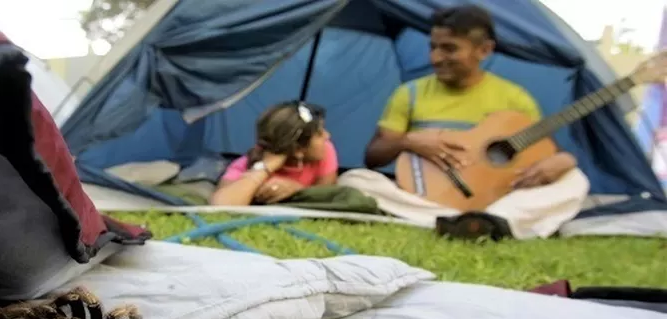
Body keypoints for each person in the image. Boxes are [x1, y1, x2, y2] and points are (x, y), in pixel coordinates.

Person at [339, 5, 589, 239]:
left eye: (449, 49)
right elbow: (372, 158)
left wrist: (563, 160)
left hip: (497, 197)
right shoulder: (410, 93)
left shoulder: (515, 98)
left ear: (484, 50)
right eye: (433, 47)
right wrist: (409, 140)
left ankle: (489, 219)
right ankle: (481, 223)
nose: (436, 58)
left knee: (575, 180)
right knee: (356, 180)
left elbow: (546, 153)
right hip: (425, 197)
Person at [210, 101, 338, 206]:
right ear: (298, 150)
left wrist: (298, 189)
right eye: (319, 134)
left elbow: (325, 195)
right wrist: (264, 168)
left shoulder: (326, 151)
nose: (327, 136)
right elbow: (221, 207)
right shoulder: (244, 165)